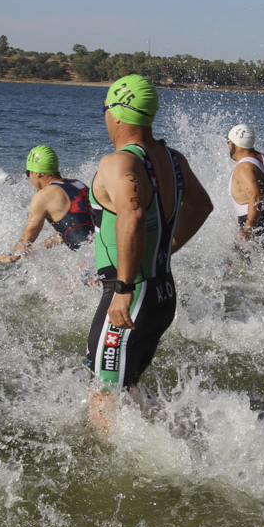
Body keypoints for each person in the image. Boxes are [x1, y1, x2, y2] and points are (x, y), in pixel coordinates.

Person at [85, 74, 214, 413]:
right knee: (126, 388)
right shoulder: (173, 159)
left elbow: (133, 214)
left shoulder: (118, 162)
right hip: (162, 294)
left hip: (133, 293)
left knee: (103, 394)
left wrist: (124, 288)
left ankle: (109, 464)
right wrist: (165, 249)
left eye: (104, 108)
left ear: (116, 112)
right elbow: (202, 206)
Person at [0, 145, 94, 263]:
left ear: (38, 174)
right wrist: (42, 247)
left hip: (92, 264)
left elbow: (29, 233)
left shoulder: (44, 195)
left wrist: (10, 257)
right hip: (106, 251)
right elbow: (80, 226)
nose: (29, 180)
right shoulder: (77, 184)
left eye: (28, 173)